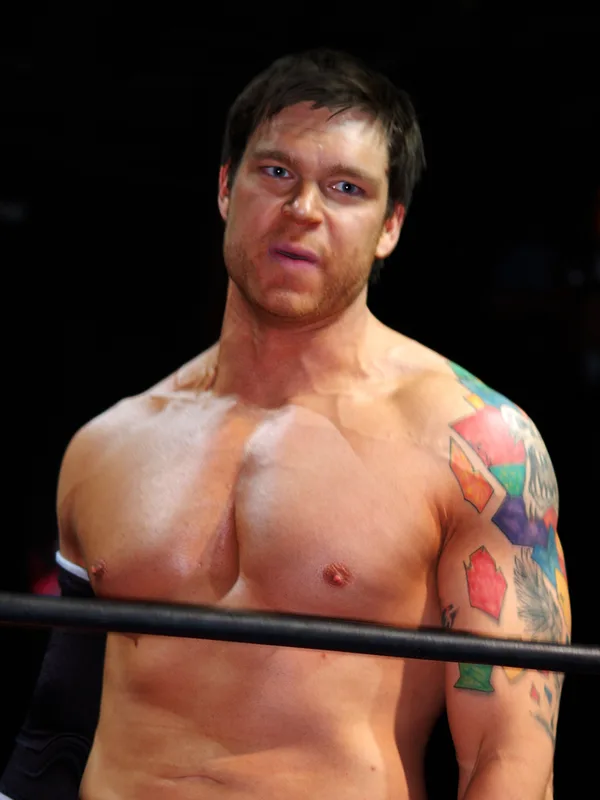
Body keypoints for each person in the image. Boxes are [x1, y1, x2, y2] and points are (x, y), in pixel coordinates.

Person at [1, 48, 571, 800]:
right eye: (276, 172)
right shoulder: (107, 446)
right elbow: (59, 724)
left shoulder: (475, 447)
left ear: (390, 226)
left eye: (345, 188)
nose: (304, 209)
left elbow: (508, 757)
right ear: (224, 188)